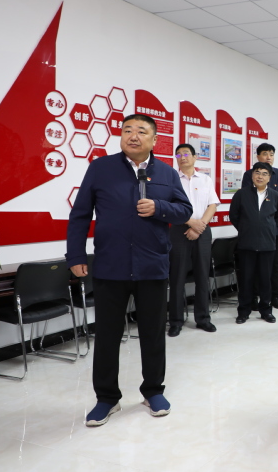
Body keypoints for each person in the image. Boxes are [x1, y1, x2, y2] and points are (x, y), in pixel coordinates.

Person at [66, 114, 192, 426]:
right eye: (127, 130)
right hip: (111, 265)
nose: (133, 136)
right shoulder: (101, 168)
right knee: (107, 335)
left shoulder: (166, 173)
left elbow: (185, 211)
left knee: (153, 333)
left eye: (141, 131)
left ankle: (153, 391)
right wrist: (76, 254)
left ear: (154, 140)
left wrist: (159, 208)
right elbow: (80, 214)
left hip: (152, 265)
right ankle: (107, 398)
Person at [168, 143, 219, 337]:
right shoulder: (171, 180)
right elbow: (170, 208)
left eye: (186, 153)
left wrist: (200, 226)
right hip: (179, 230)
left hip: (202, 231)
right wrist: (190, 223)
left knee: (202, 276)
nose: (182, 157)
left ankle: (203, 319)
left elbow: (212, 205)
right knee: (177, 277)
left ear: (195, 157)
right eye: (178, 154)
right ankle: (175, 321)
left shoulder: (205, 179)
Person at [230, 162, 278, 324]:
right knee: (246, 279)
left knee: (266, 280)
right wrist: (246, 229)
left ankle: (266, 310)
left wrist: (268, 231)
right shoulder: (241, 194)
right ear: (252, 175)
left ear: (269, 177)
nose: (260, 176)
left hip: (268, 245)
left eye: (264, 173)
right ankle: (243, 311)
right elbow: (234, 216)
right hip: (246, 244)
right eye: (257, 172)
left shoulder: (275, 196)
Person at [242, 143, 278, 310]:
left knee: (274, 265)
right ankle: (254, 298)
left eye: (271, 154)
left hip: (275, 229)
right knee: (254, 267)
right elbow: (246, 200)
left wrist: (271, 212)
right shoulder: (249, 175)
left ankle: (274, 296)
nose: (268, 157)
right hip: (255, 231)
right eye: (265, 154)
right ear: (257, 156)